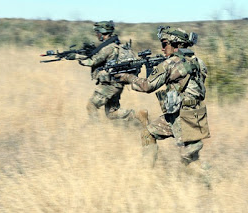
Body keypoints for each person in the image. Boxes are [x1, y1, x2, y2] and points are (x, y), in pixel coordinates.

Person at [115, 26, 211, 167]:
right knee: (150, 133)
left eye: (164, 44)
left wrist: (128, 77)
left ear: (176, 44)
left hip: (180, 115)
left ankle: (148, 171)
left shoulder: (170, 63)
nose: (162, 48)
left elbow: (147, 86)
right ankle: (148, 172)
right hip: (196, 112)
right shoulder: (198, 61)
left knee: (189, 158)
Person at [67, 20, 148, 124]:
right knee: (112, 113)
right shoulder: (116, 44)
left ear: (102, 32)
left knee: (91, 105)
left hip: (110, 85)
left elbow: (92, 61)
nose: (96, 35)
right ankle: (138, 115)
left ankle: (95, 130)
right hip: (117, 83)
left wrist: (76, 57)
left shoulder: (108, 48)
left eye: (97, 32)